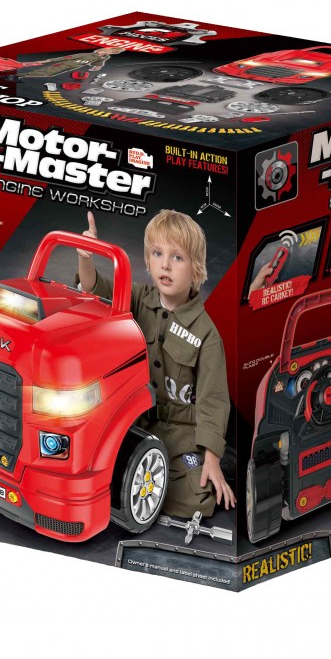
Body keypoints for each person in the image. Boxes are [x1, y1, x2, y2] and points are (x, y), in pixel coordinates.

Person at [76, 210, 235, 518]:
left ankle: (216, 458)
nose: (165, 265)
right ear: (148, 260)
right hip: (133, 420)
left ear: (196, 268)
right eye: (157, 254)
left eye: (177, 257)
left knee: (196, 499)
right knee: (100, 473)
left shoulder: (206, 334)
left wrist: (213, 458)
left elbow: (213, 401)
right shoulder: (137, 297)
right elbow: (95, 291)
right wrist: (86, 258)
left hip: (180, 432)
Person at [18, 47, 123, 79]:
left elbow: (99, 62)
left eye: (112, 52)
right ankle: (21, 75)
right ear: (100, 50)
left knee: (50, 74)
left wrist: (97, 67)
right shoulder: (85, 54)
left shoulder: (104, 57)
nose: (104, 53)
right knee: (46, 71)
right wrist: (47, 60)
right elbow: (65, 57)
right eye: (104, 51)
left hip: (72, 67)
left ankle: (23, 76)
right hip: (63, 64)